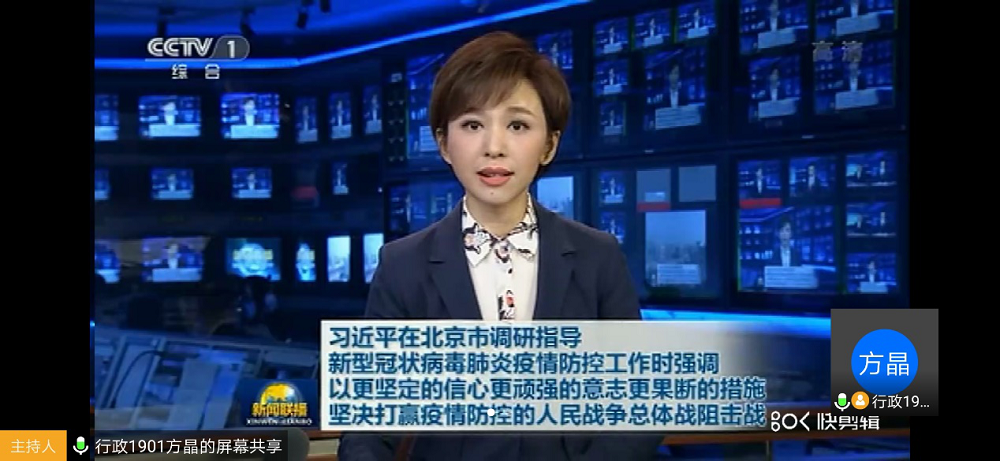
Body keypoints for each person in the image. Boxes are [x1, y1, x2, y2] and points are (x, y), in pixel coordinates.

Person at [338, 31, 662, 461]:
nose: (494, 147)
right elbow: (367, 426)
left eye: (517, 126)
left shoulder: (597, 256)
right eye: (472, 125)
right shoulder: (402, 265)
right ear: (444, 143)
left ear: (549, 145)